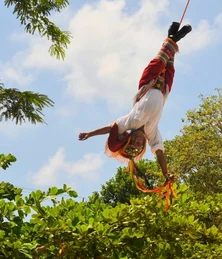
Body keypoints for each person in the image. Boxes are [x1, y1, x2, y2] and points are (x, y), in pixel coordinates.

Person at [78, 21, 192, 183]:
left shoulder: (128, 124)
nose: (139, 140)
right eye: (140, 144)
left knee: (161, 59)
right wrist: (166, 175)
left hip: (148, 83)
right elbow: (159, 153)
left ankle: (171, 37)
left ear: (129, 138)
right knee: (170, 64)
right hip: (163, 89)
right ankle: (174, 37)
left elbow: (110, 128)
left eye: (135, 142)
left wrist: (90, 133)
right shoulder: (151, 134)